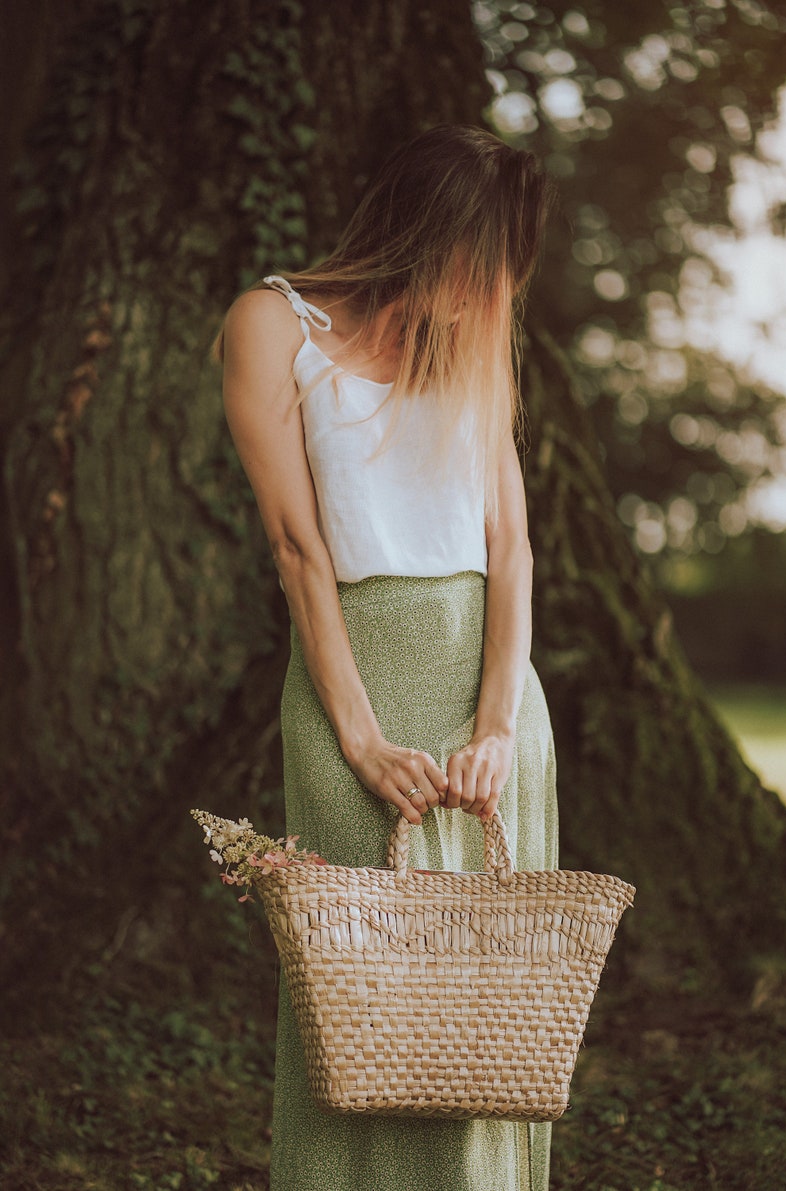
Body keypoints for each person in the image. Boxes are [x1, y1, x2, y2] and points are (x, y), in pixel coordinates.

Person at [219, 124, 559, 1191]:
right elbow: (295, 547)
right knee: (352, 989)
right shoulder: (272, 323)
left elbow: (510, 544)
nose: (497, 288)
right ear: (426, 235)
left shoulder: (474, 337)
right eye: (485, 258)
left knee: (488, 1004)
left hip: (489, 701)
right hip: (349, 689)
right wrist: (359, 739)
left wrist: (497, 725)